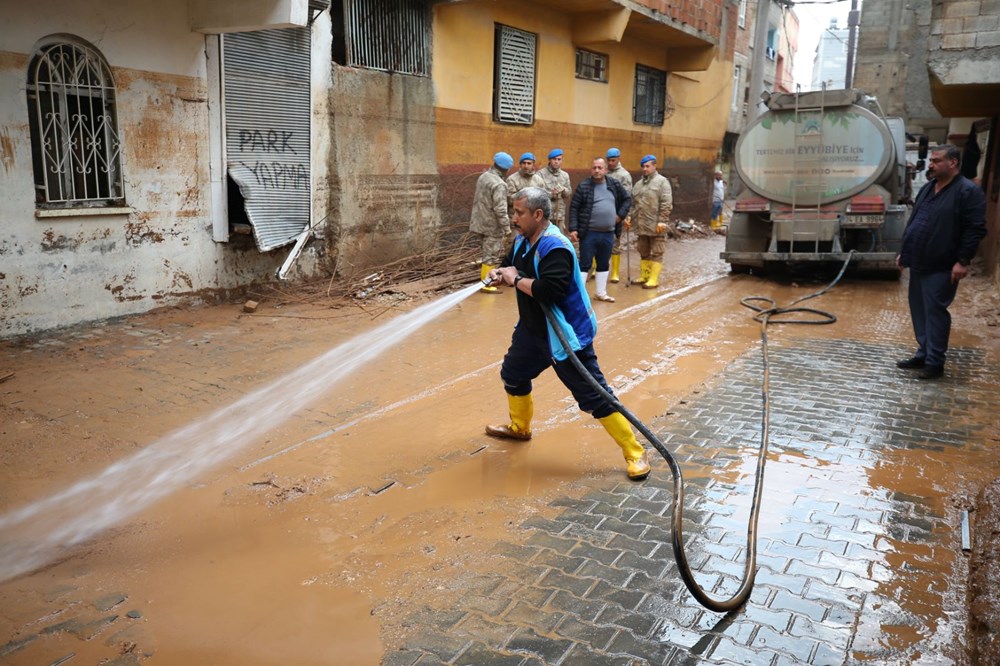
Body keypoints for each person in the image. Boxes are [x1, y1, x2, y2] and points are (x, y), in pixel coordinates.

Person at [484, 187, 651, 481]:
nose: (514, 218)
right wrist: (501, 273)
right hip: (533, 332)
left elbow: (551, 291)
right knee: (513, 374)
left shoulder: (556, 247)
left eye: (519, 212)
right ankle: (520, 428)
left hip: (565, 335)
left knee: (594, 396)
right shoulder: (522, 239)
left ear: (538, 215)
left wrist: (517, 278)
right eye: (513, 211)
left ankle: (634, 451)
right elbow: (511, 265)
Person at [896, 144, 986, 380]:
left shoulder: (967, 192)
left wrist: (963, 261)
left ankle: (935, 362)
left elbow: (975, 229)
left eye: (936, 161)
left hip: (942, 264)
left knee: (935, 311)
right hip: (918, 261)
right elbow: (916, 220)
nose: (931, 164)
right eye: (932, 160)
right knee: (919, 311)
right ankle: (923, 353)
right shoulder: (928, 188)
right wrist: (904, 253)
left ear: (953, 163)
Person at [568, 157, 632, 303]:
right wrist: (573, 228)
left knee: (603, 263)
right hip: (589, 232)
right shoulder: (584, 186)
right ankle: (579, 296)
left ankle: (601, 293)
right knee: (585, 263)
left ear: (605, 170)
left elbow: (627, 199)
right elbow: (574, 208)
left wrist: (620, 215)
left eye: (600, 168)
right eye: (594, 167)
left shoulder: (614, 184)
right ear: (591, 169)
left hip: (609, 232)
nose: (597, 170)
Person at [470, 151, 514, 294]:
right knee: (491, 256)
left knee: (486, 254)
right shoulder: (499, 184)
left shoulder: (484, 177)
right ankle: (487, 284)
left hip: (479, 222)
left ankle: (485, 281)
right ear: (506, 169)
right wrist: (507, 229)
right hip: (492, 226)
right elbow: (500, 209)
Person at [626, 155, 672, 289]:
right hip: (641, 224)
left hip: (656, 224)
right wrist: (629, 217)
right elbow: (633, 204)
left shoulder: (662, 182)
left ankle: (653, 278)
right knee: (643, 250)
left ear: (654, 166)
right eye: (643, 166)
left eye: (647, 166)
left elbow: (666, 202)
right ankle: (644, 275)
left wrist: (662, 220)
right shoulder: (638, 184)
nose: (645, 169)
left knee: (657, 251)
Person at [606, 148, 633, 283]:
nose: (610, 163)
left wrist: (624, 215)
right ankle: (595, 268)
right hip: (603, 213)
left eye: (613, 160)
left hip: (616, 214)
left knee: (615, 242)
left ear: (618, 159)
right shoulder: (604, 172)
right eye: (609, 161)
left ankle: (615, 272)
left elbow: (627, 197)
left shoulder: (624, 175)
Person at [538, 148, 572, 234]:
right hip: (545, 214)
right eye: (554, 159)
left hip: (559, 215)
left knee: (559, 238)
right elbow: (537, 193)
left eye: (559, 159)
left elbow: (568, 194)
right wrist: (551, 194)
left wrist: (564, 190)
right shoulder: (540, 174)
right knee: (543, 237)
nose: (556, 161)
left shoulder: (565, 175)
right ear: (549, 160)